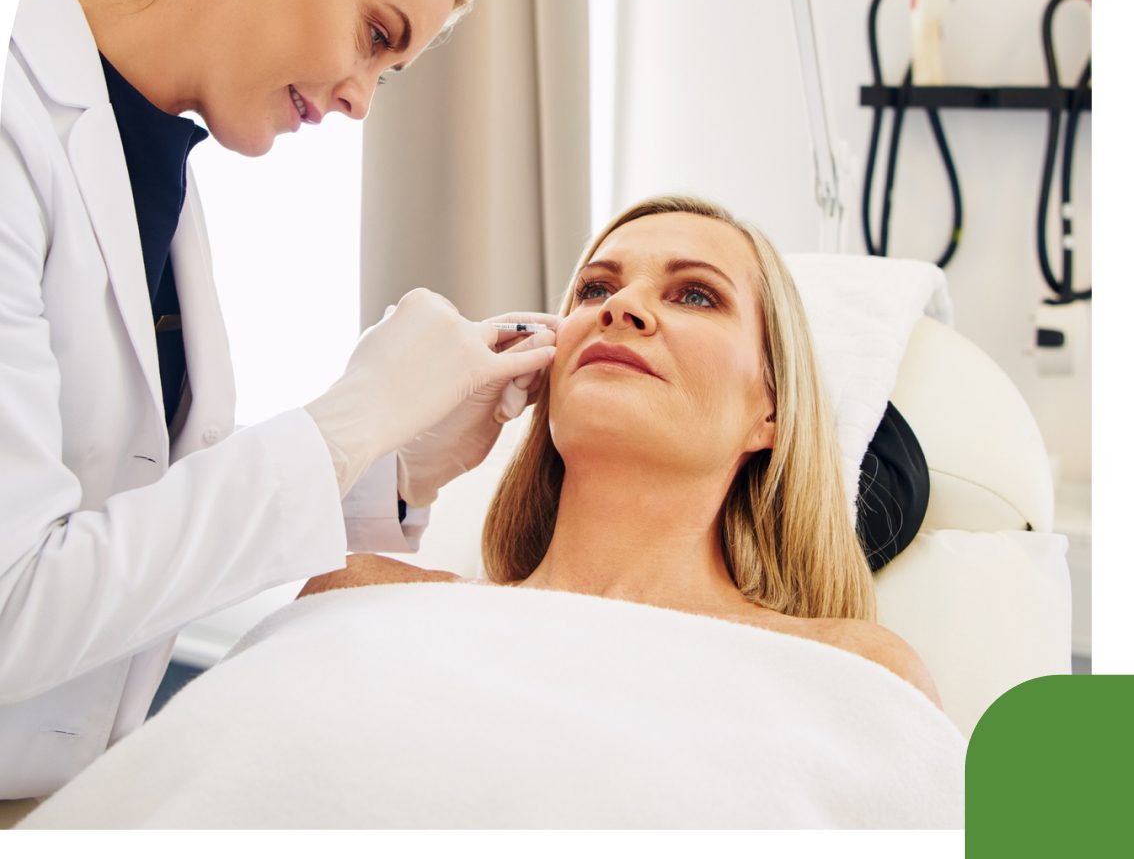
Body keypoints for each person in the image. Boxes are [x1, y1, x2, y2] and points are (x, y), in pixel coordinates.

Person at [18, 195, 962, 830]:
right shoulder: (363, 589)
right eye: (597, 287)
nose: (623, 308)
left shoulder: (849, 671)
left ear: (770, 408)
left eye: (693, 294)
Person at [0, 0, 559, 801]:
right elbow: (10, 605)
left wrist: (393, 468)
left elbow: (132, 520)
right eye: (377, 35)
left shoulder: (156, 169)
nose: (357, 100)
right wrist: (346, 417)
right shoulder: (13, 116)